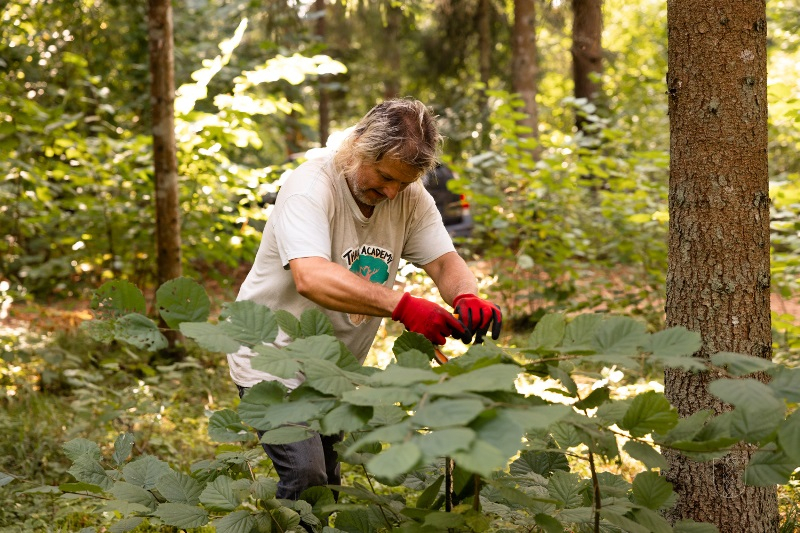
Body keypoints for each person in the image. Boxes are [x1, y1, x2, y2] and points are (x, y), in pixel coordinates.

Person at [227, 98, 502, 501]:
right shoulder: (310, 187)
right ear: (359, 146)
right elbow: (311, 276)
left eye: (404, 183)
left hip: (336, 367)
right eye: (385, 176)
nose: (391, 191)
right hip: (272, 356)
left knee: (330, 485)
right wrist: (404, 306)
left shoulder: (409, 197)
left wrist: (466, 296)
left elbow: (445, 261)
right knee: (307, 477)